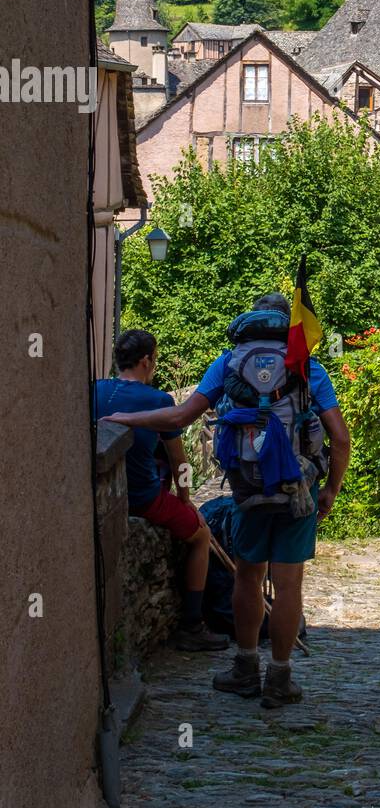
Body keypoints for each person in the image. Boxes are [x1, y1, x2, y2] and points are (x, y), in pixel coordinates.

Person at [101, 293, 351, 709]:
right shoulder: (307, 365)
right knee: (289, 585)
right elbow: (339, 438)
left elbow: (180, 417)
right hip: (298, 489)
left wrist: (123, 419)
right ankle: (280, 679)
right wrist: (330, 490)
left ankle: (245, 667)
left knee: (247, 577)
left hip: (248, 488)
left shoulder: (229, 362)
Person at [94, 330, 229, 652]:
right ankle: (192, 624)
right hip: (140, 497)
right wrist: (185, 502)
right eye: (154, 358)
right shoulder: (158, 402)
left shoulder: (94, 389)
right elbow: (179, 461)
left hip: (97, 494)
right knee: (200, 537)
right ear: (145, 361)